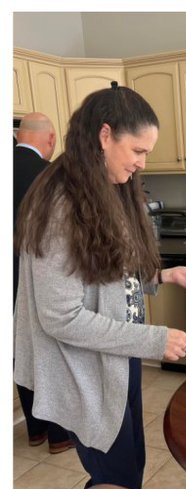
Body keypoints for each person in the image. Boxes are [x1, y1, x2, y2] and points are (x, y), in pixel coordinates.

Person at [15, 85, 186, 489]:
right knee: (118, 480)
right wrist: (153, 339)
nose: (142, 163)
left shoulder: (101, 189)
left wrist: (162, 276)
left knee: (128, 465)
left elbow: (106, 270)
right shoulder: (61, 206)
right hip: (83, 367)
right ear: (104, 136)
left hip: (117, 353)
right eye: (137, 150)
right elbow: (60, 317)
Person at [13, 112, 71, 455]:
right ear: (50, 140)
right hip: (41, 277)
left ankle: (34, 430)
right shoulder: (49, 178)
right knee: (51, 350)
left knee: (21, 350)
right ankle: (59, 434)